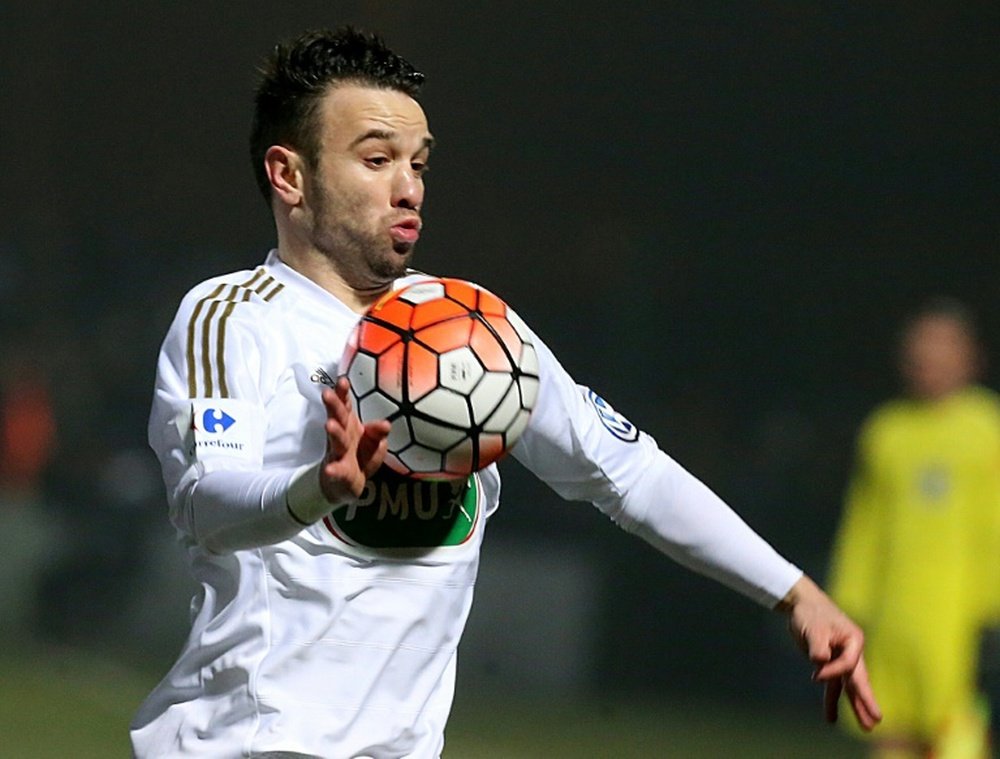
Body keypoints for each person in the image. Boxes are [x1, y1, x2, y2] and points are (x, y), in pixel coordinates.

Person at [131, 27, 881, 758]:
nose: (408, 187)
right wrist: (317, 488)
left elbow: (624, 469)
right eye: (376, 159)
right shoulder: (233, 317)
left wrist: (794, 592)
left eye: (418, 164)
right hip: (249, 741)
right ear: (290, 175)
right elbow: (205, 505)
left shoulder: (475, 333)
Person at [830, 299, 1000, 759]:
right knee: (888, 726)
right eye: (920, 347)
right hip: (891, 613)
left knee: (956, 734)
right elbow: (863, 526)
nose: (930, 359)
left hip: (962, 621)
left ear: (971, 356)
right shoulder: (886, 431)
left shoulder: (987, 428)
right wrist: (848, 603)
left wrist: (991, 612)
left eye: (944, 346)